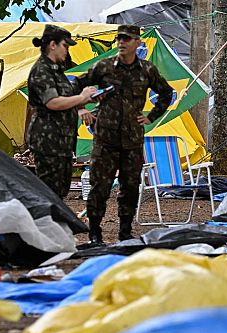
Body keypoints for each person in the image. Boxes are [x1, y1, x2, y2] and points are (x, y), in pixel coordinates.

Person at [74, 24, 174, 244]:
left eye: (127, 39)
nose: (121, 42)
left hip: (132, 140)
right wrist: (81, 108)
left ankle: (125, 232)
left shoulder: (147, 70)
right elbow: (75, 85)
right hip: (105, 139)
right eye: (119, 38)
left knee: (130, 187)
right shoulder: (104, 67)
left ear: (137, 42)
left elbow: (167, 93)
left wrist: (151, 116)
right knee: (99, 186)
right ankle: (95, 233)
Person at [27, 24, 98, 198]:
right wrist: (81, 98)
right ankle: (44, 224)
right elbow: (53, 103)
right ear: (53, 45)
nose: (67, 51)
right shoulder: (41, 70)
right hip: (48, 141)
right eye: (65, 46)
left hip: (62, 141)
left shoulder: (57, 70)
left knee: (59, 191)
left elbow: (67, 95)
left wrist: (87, 98)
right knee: (49, 192)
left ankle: (54, 223)